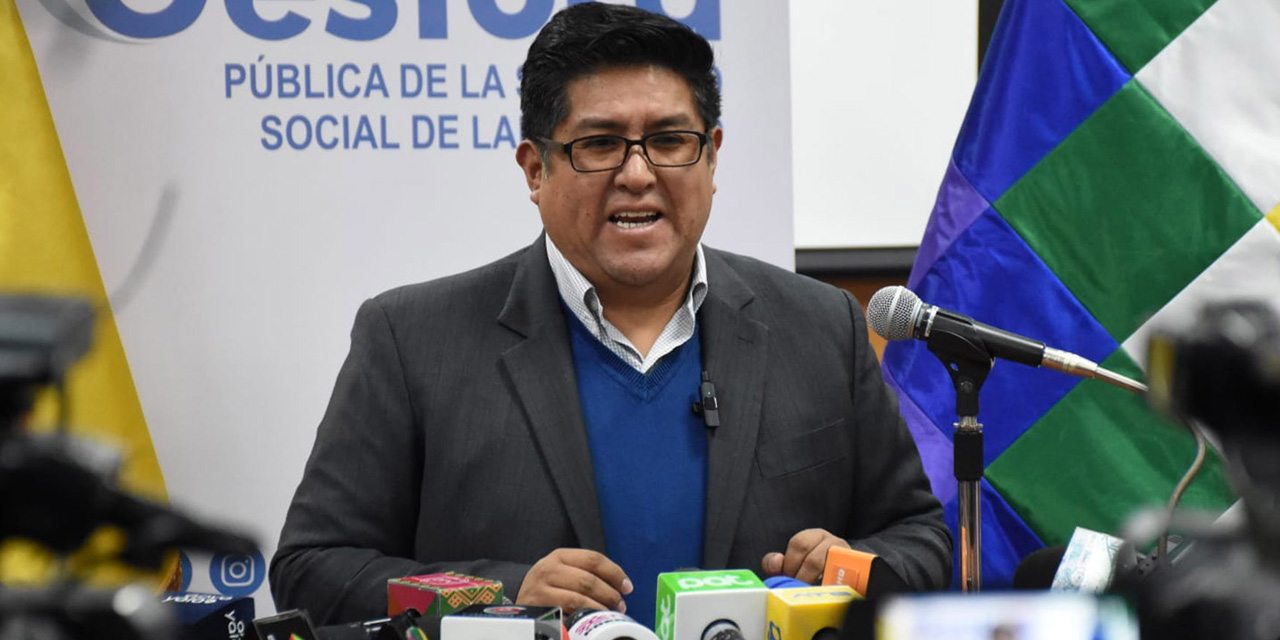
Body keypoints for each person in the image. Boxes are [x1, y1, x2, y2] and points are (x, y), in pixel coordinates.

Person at [270, 3, 950, 628]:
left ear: (712, 157)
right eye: (600, 144)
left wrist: (846, 570)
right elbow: (313, 570)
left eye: (669, 140)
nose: (637, 173)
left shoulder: (819, 324)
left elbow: (919, 540)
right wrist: (504, 595)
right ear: (535, 170)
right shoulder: (413, 339)